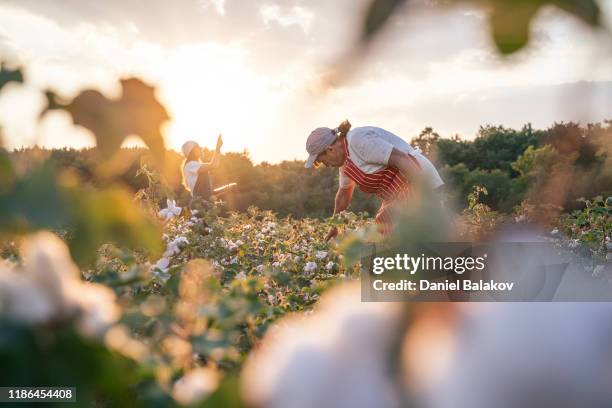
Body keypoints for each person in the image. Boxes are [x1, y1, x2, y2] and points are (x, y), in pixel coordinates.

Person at [304, 121, 445, 241]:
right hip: (397, 195)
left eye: (322, 161)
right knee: (381, 235)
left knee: (404, 237)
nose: (326, 165)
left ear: (330, 149)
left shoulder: (358, 140)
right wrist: (334, 227)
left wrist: (426, 194)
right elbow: (343, 195)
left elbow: (403, 160)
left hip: (416, 179)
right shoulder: (345, 164)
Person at [181, 135, 235, 202]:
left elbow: (208, 193)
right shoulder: (191, 165)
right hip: (200, 206)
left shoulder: (195, 165)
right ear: (192, 151)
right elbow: (214, 165)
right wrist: (218, 147)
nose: (201, 148)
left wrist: (225, 188)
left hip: (204, 205)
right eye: (198, 147)